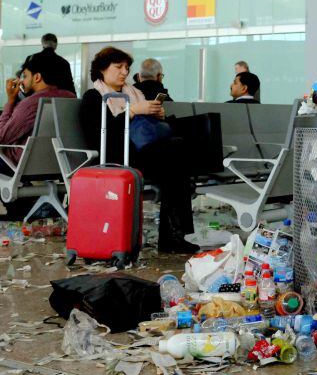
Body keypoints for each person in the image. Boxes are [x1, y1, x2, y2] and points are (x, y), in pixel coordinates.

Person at [79, 47, 198, 253]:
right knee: (177, 157)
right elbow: (101, 134)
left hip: (141, 152)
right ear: (102, 70)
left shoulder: (134, 93)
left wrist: (155, 115)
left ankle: (174, 235)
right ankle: (172, 236)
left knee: (177, 156)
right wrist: (133, 111)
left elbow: (143, 129)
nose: (124, 72)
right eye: (118, 67)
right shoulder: (94, 96)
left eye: (127, 67)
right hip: (116, 154)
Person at [0, 51, 76, 173]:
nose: (22, 81)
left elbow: (2, 138)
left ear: (37, 77)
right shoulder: (70, 98)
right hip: (61, 164)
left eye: (25, 76)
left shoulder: (31, 104)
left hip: (21, 166)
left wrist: (10, 101)